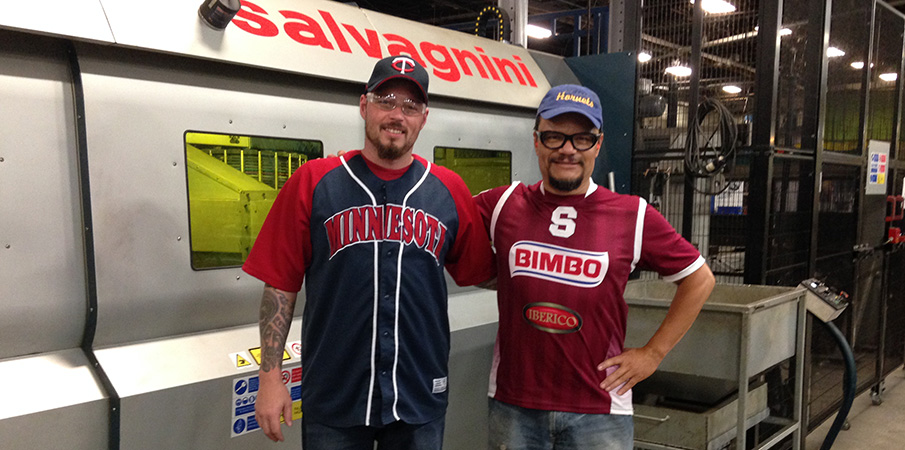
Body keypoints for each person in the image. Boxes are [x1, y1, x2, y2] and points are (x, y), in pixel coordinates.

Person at [242, 55, 495, 449]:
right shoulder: (313, 182)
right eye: (386, 100)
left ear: (423, 118)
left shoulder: (448, 189)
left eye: (410, 107)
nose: (398, 115)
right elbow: (279, 286)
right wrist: (271, 378)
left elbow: (481, 270)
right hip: (336, 393)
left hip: (418, 392)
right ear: (364, 105)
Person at [473, 84, 716, 450]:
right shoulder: (504, 203)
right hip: (515, 404)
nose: (568, 149)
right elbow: (441, 217)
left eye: (582, 138)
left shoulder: (632, 215)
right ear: (537, 141)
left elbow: (699, 279)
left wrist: (652, 354)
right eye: (554, 137)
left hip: (599, 410)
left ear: (598, 145)